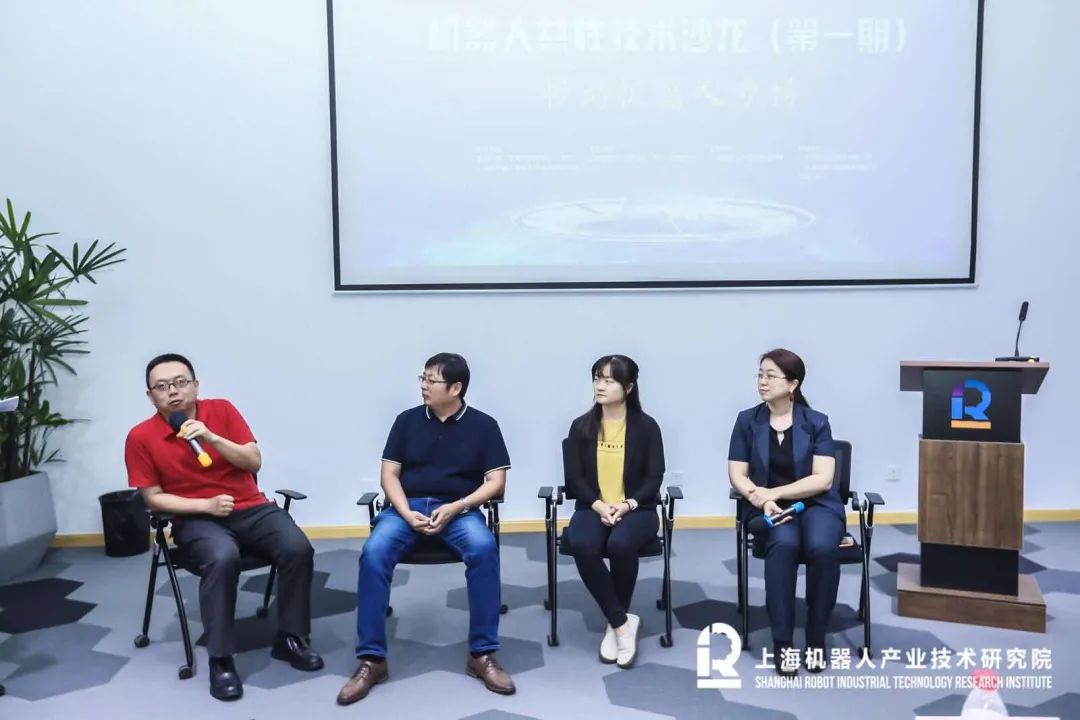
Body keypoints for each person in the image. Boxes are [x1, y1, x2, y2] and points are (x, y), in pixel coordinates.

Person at [124, 353, 321, 701]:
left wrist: (212, 438)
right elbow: (153, 498)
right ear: (150, 396)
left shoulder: (222, 411)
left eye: (180, 382)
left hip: (250, 507)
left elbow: (253, 461)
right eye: (162, 386)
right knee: (222, 557)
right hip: (196, 518)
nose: (173, 392)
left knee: (297, 547)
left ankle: (290, 638)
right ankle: (221, 659)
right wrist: (205, 506)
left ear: (196, 385)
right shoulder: (141, 437)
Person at [337, 353, 514, 706]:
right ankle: (372, 659)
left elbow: (496, 482)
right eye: (422, 378)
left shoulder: (484, 425)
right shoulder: (406, 421)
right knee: (374, 552)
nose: (423, 386)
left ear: (455, 387)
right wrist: (405, 512)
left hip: (459, 509)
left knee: (484, 549)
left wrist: (457, 506)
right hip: (407, 507)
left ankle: (481, 654)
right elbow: (389, 475)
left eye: (431, 380)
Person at [727, 349, 842, 676]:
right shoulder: (747, 421)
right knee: (784, 545)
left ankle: (816, 638)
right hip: (768, 507)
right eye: (760, 374)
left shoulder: (816, 422)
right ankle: (783, 642)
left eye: (771, 376)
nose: (762, 382)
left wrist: (774, 492)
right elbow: (737, 474)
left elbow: (823, 479)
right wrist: (761, 499)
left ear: (793, 384)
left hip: (817, 504)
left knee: (822, 547)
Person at [564, 355, 664, 669]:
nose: (600, 386)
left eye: (609, 380)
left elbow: (654, 477)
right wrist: (598, 505)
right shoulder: (581, 427)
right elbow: (574, 479)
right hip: (593, 507)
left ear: (629, 387)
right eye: (597, 379)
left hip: (637, 509)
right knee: (582, 543)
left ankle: (614, 622)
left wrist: (626, 505)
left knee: (621, 544)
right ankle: (621, 624)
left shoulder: (647, 427)